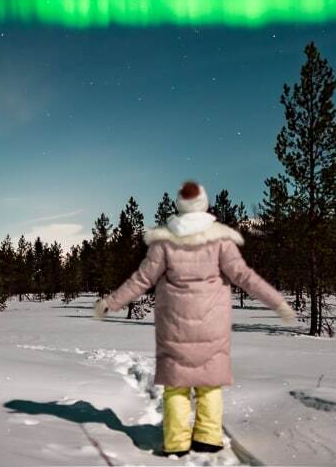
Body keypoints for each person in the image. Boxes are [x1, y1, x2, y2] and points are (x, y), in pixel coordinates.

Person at [94, 180, 295, 457]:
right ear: (204, 203)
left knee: (176, 387)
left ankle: (176, 442)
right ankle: (209, 438)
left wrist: (110, 303)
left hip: (174, 326)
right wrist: (278, 303)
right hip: (212, 325)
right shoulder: (220, 240)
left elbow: (142, 280)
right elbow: (245, 277)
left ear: (179, 204)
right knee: (209, 383)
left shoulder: (164, 241)